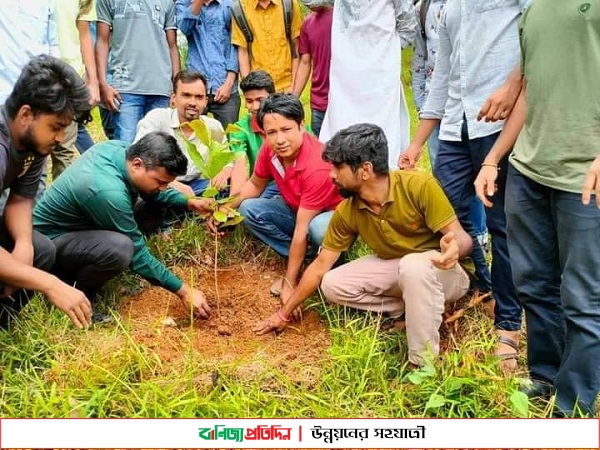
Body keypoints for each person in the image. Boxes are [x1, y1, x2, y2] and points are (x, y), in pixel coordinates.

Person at [253, 123, 472, 367]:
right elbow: (321, 265)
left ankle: (422, 364)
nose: (331, 175)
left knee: (414, 266)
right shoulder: (349, 209)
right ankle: (413, 309)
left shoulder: (418, 187)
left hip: (444, 273)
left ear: (365, 170)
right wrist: (284, 313)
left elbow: (462, 239)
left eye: (338, 167)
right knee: (333, 284)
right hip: (398, 268)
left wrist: (454, 249)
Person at [474, 0, 600, 417]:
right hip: (529, 170)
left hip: (584, 176)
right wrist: (494, 159)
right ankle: (546, 377)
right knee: (534, 285)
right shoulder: (534, 9)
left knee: (582, 298)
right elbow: (530, 89)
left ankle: (574, 406)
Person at [399, 0, 529, 373]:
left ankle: (508, 325)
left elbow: (535, 44)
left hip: (499, 125)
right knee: (444, 214)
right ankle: (473, 285)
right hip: (456, 126)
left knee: (502, 224)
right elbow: (444, 76)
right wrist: (418, 141)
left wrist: (513, 84)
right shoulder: (451, 8)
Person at [33, 132, 212, 320]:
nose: (163, 188)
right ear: (137, 164)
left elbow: (155, 194)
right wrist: (184, 291)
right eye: (160, 182)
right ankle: (78, 296)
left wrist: (189, 202)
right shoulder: (107, 191)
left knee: (154, 205)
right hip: (50, 246)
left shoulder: (120, 150)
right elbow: (138, 254)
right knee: (121, 248)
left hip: (83, 227)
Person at [0, 55, 92, 329]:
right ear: (26, 114)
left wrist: (23, 245)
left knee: (40, 249)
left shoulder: (33, 142)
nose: (60, 137)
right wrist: (51, 285)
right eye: (56, 127)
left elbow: (21, 199)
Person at [223, 93, 342, 300]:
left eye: (286, 129)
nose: (279, 140)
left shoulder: (318, 166)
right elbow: (254, 184)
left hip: (329, 217)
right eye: (271, 132)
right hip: (297, 209)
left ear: (301, 124)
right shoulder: (269, 150)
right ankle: (306, 259)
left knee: (317, 229)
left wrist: (289, 284)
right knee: (248, 209)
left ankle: (322, 262)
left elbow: (301, 229)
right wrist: (223, 208)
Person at [410, 0, 488, 257]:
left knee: (490, 199)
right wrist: (417, 138)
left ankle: (484, 248)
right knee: (448, 194)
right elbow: (432, 68)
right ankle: (471, 262)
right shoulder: (431, 9)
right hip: (447, 118)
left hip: (487, 116)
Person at [318, 0, 416, 169]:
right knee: (341, 130)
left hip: (381, 77)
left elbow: (408, 25)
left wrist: (383, 53)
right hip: (345, 76)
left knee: (385, 134)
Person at [96, 0, 181, 143]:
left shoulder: (168, 2)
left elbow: (172, 45)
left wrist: (177, 87)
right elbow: (102, 40)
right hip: (125, 87)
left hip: (160, 88)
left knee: (157, 149)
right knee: (126, 147)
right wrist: (103, 84)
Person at [134, 70, 230, 198]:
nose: (193, 102)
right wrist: (172, 183)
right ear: (173, 98)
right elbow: (137, 158)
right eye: (186, 95)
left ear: (206, 101)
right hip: (161, 185)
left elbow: (228, 161)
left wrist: (224, 172)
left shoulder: (213, 126)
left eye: (199, 97)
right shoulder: (157, 119)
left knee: (230, 187)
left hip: (196, 185)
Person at [176, 0, 240, 129]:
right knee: (190, 135)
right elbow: (185, 28)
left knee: (230, 139)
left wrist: (228, 84)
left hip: (225, 86)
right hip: (195, 87)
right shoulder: (183, 3)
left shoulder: (229, 4)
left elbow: (235, 44)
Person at [55, 0, 100, 157]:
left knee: (65, 145)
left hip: (70, 73)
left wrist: (92, 81)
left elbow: (85, 33)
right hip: (38, 71)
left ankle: (97, 165)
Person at [231, 0, 302, 92]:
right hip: (258, 88)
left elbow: (296, 46)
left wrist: (294, 87)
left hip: (287, 85)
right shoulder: (239, 9)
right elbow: (243, 51)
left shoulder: (289, 4)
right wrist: (249, 90)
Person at [227, 70, 278, 197]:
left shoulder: (288, 120)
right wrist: (232, 204)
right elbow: (240, 165)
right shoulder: (239, 128)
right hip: (260, 184)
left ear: (272, 97)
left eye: (260, 100)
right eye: (249, 101)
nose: (255, 107)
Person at [291, 0, 333, 137]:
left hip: (344, 98)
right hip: (319, 101)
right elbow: (305, 62)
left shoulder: (343, 19)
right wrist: (294, 96)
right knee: (321, 151)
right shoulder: (308, 23)